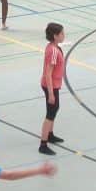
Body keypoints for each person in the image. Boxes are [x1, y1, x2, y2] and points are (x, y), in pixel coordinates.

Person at [39, 22, 66, 155]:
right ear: (55, 36)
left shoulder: (52, 47)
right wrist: (51, 93)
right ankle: (43, 144)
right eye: (61, 33)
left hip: (53, 84)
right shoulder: (54, 51)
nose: (63, 35)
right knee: (51, 112)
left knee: (54, 110)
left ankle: (50, 134)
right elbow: (48, 73)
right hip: (51, 85)